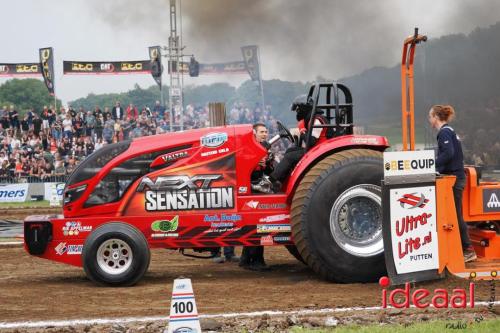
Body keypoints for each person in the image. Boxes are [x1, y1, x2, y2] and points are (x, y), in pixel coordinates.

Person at [428, 104, 476, 263]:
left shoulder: (444, 133)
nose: (429, 120)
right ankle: (461, 248)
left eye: (430, 117)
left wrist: (433, 165)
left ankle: (468, 250)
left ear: (436, 117)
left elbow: (449, 153)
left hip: (454, 178)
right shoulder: (450, 131)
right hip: (457, 176)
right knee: (455, 214)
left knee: (456, 214)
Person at [240, 123, 273, 271]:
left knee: (256, 225)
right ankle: (255, 260)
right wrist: (253, 162)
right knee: (257, 225)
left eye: (266, 132)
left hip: (259, 188)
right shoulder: (247, 147)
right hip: (250, 190)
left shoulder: (266, 147)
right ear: (254, 133)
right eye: (261, 132)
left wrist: (269, 162)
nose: (264, 134)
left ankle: (246, 259)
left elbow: (269, 169)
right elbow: (240, 166)